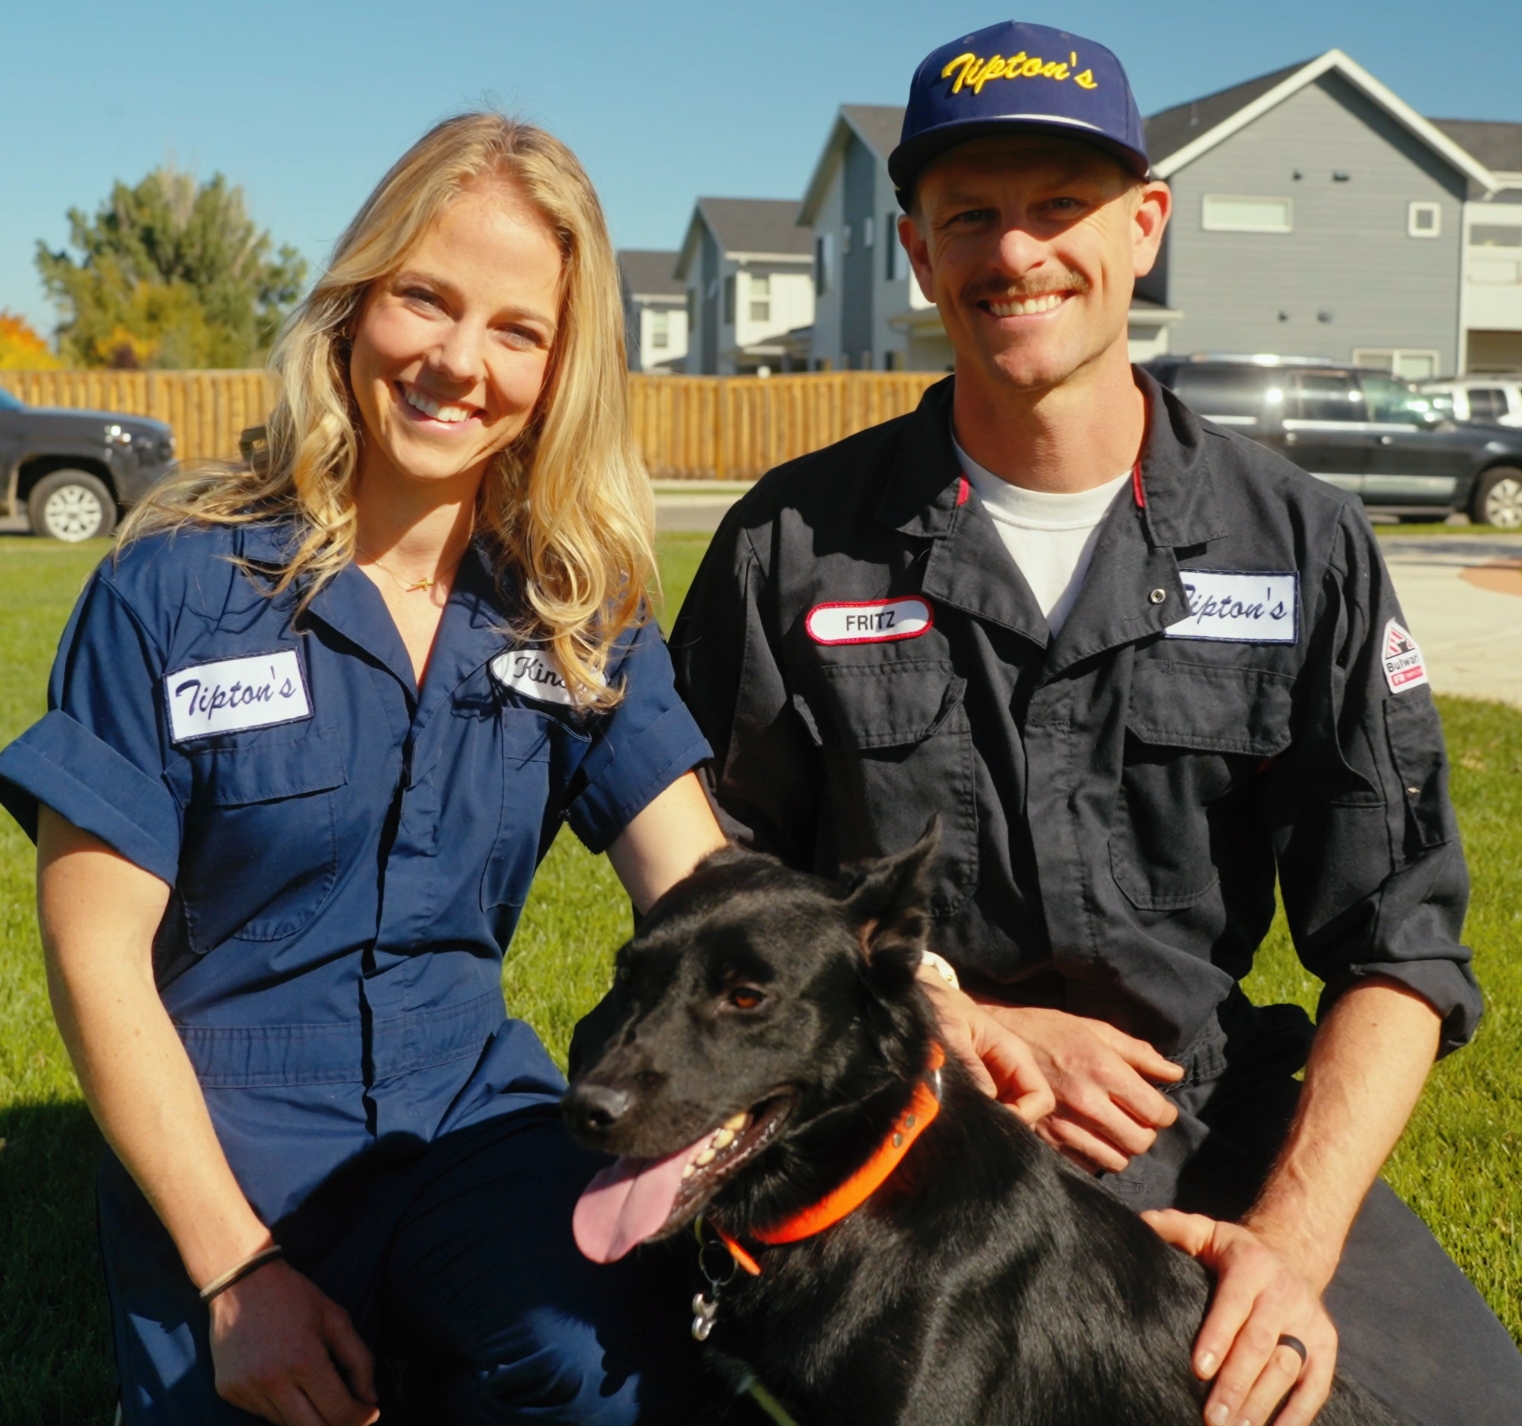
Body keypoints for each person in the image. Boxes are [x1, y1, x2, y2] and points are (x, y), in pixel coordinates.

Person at [670, 21, 1522, 1426]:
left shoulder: (1292, 542)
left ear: (1144, 227)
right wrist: (955, 1014)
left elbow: (1399, 945)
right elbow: (713, 871)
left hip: (1208, 1126)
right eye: (972, 217)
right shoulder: (795, 544)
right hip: (893, 1135)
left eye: (1059, 208)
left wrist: (1287, 1247)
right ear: (915, 250)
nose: (1017, 253)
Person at [0, 114, 732, 1425]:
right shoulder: (170, 588)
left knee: (604, 1371)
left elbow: (700, 885)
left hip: (471, 1123)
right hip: (227, 1147)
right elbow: (94, 959)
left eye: (518, 330)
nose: (459, 361)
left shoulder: (571, 606)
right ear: (353, 303)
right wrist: (235, 1270)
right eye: (425, 299)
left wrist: (904, 986)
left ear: (561, 368)